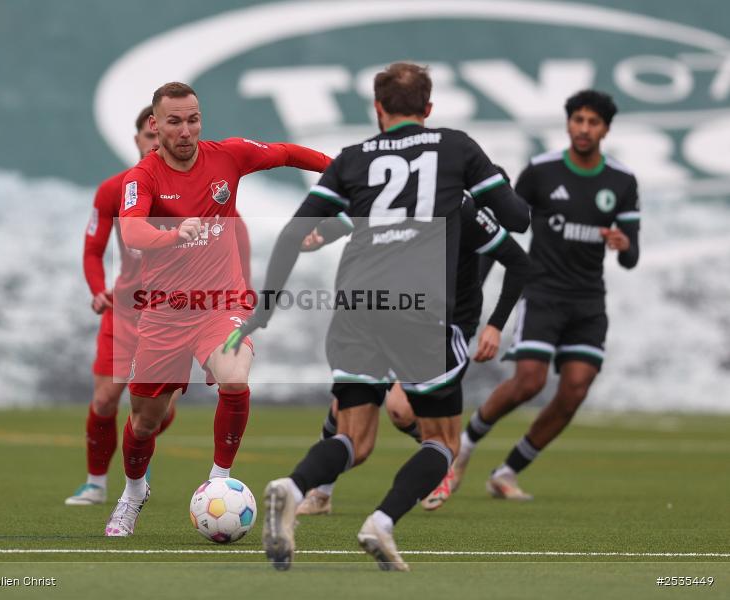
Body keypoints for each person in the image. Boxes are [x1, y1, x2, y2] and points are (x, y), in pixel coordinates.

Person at [225, 62, 529, 571]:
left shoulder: (353, 157)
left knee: (354, 438)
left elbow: (293, 234)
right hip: (419, 309)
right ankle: (382, 522)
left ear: (378, 109)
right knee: (442, 442)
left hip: (355, 305)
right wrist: (498, 188)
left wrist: (265, 309)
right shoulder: (456, 147)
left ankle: (294, 486)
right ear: (428, 110)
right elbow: (518, 219)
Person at [103, 82, 331, 537]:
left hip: (220, 305)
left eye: (192, 119)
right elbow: (131, 233)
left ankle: (219, 481)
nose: (185, 130)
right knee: (144, 423)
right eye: (174, 121)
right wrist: (171, 235)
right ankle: (132, 493)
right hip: (165, 313)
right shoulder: (141, 178)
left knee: (234, 376)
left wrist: (343, 170)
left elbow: (286, 152)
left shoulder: (228, 155)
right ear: (155, 124)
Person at [453, 89, 640, 501]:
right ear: (569, 123)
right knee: (528, 382)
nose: (585, 129)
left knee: (574, 389)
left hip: (589, 301)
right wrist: (479, 294)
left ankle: (507, 472)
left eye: (593, 122)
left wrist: (624, 244)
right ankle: (463, 448)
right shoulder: (540, 172)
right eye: (578, 120)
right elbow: (500, 232)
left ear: (606, 129)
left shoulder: (622, 182)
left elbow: (631, 257)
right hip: (543, 293)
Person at [295, 197, 532, 516]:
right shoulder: (395, 193)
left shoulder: (459, 205)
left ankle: (441, 458)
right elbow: (350, 218)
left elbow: (517, 254)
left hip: (444, 327)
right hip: (391, 314)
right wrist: (319, 234)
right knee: (345, 406)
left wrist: (495, 325)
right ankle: (321, 493)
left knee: (400, 410)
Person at [65, 105, 177, 506]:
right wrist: (97, 289)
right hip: (125, 311)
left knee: (158, 415)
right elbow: (93, 250)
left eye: (160, 136)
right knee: (105, 400)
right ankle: (96, 483)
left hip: (173, 314)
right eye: (149, 137)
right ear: (138, 140)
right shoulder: (114, 190)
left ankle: (136, 464)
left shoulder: (192, 187)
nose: (156, 144)